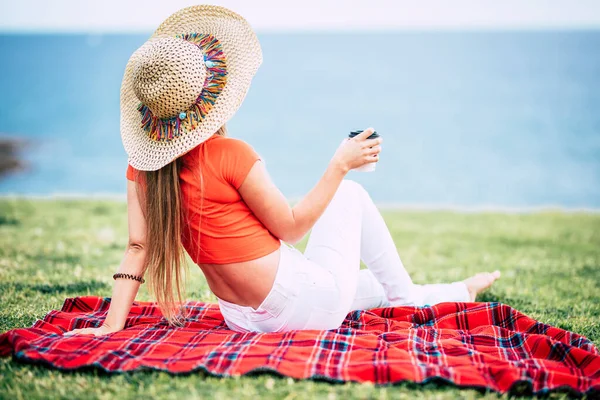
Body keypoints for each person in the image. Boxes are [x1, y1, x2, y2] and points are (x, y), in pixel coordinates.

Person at [65, 5, 500, 336]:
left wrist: (111, 325)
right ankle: (412, 299)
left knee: (371, 285)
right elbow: (290, 229)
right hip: (299, 300)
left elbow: (137, 246)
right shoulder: (231, 153)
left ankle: (460, 289)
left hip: (242, 318)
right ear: (212, 96)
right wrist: (339, 165)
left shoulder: (144, 169)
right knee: (349, 198)